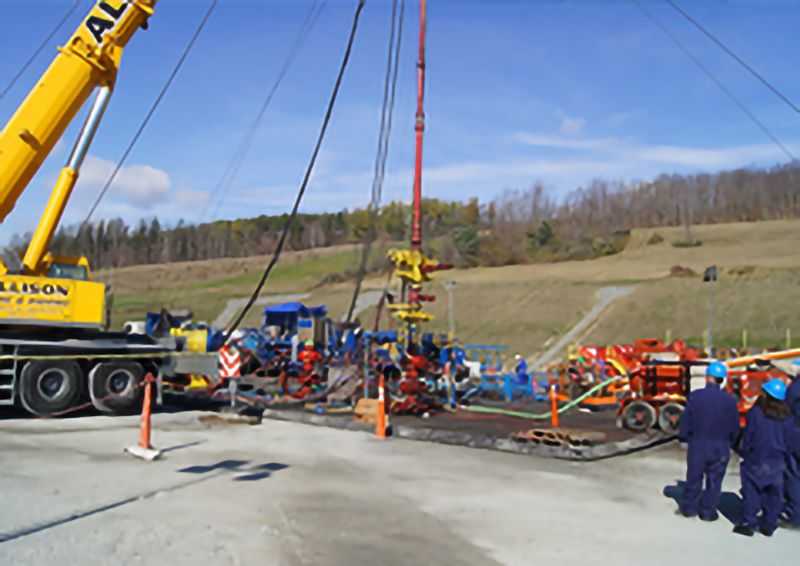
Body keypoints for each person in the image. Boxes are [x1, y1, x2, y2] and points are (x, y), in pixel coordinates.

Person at [678, 361, 740, 521]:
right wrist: (732, 442)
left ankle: (689, 508)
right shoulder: (730, 400)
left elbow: (686, 421)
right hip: (720, 446)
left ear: (707, 377)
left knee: (694, 477)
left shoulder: (696, 396)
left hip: (698, 444)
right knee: (715, 481)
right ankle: (707, 512)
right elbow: (735, 426)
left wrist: (684, 437)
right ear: (722, 379)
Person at [734, 379, 794, 537]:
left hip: (757, 457)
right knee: (774, 494)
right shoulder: (787, 417)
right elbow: (790, 440)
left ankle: (748, 522)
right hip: (777, 460)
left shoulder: (756, 413)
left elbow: (748, 436)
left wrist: (744, 451)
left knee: (752, 491)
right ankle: (769, 524)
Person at [782, 363, 800, 529]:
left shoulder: (794, 389)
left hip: (795, 437)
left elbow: (786, 413)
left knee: (794, 475)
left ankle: (795, 516)